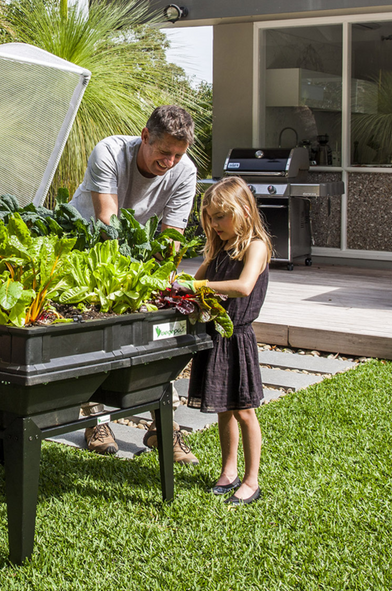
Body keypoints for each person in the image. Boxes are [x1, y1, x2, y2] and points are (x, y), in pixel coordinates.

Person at [70, 105, 199, 462]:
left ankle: (164, 428)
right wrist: (129, 280)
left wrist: (162, 286)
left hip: (133, 257)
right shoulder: (109, 152)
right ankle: (97, 420)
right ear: (145, 136)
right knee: (97, 338)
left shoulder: (184, 172)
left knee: (158, 338)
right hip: (86, 251)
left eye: (177, 154)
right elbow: (107, 222)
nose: (170, 162)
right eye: (163, 153)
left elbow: (171, 237)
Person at [181, 176, 271, 505]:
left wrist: (198, 289)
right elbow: (193, 280)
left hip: (238, 338)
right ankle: (229, 470)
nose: (215, 224)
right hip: (216, 334)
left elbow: (245, 286)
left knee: (244, 410)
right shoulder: (219, 250)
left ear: (244, 211)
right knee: (223, 409)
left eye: (221, 216)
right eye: (210, 217)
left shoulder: (256, 246)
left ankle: (252, 480)